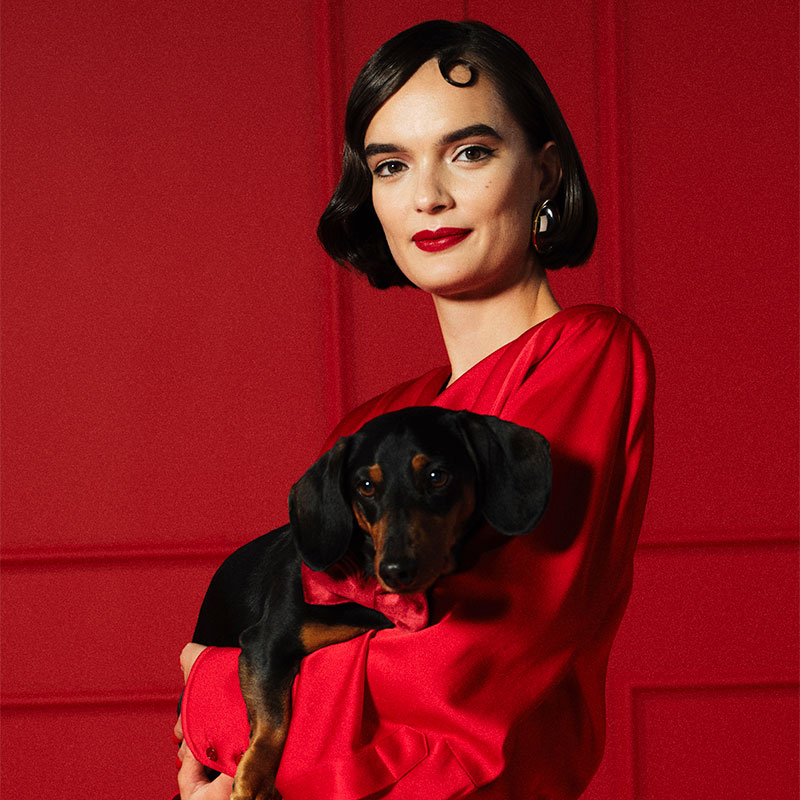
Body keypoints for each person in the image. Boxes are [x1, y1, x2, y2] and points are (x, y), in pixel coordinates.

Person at [174, 19, 654, 800]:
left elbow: (459, 672)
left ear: (544, 172)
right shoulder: (381, 421)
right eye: (391, 165)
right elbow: (316, 639)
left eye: (470, 152)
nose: (428, 195)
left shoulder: (586, 356)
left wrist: (209, 692)